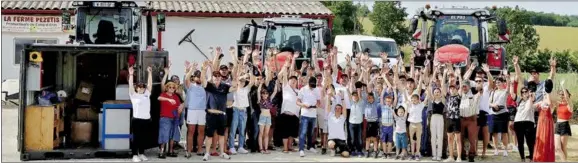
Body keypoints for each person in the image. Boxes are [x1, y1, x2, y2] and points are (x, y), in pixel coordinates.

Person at [201, 61, 233, 161]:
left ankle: (222, 152)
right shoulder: (209, 86)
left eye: (218, 76)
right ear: (213, 77)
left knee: (222, 135)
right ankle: (207, 153)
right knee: (209, 135)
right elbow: (203, 80)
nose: (217, 78)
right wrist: (204, 69)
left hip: (222, 115)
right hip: (211, 115)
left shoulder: (225, 87)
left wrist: (237, 69)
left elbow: (235, 86)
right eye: (215, 76)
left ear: (220, 78)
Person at [228, 56, 255, 155]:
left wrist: (251, 70)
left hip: (243, 111)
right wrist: (240, 68)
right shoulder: (235, 88)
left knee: (242, 130)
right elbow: (235, 76)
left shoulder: (246, 89)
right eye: (241, 81)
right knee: (233, 129)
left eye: (243, 81)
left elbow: (252, 81)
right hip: (235, 110)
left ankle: (240, 147)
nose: (242, 82)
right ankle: (231, 147)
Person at [128, 66, 152, 162]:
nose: (141, 88)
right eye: (139, 86)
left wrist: (149, 73)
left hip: (146, 119)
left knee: (144, 138)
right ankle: (134, 155)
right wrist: (130, 74)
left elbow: (150, 84)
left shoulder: (147, 94)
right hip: (137, 119)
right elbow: (130, 85)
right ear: (136, 88)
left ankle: (141, 153)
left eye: (143, 86)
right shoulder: (133, 95)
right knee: (136, 138)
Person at [183, 63, 208, 158]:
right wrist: (192, 69)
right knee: (191, 131)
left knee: (201, 131)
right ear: (194, 78)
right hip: (192, 110)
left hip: (202, 111)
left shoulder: (205, 86)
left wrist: (204, 69)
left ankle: (199, 149)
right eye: (197, 76)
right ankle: (189, 151)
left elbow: (207, 78)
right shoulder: (191, 86)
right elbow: (186, 79)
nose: (199, 78)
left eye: (200, 76)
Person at [425, 65, 447, 161]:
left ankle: (439, 155)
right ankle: (434, 154)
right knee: (433, 136)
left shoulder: (442, 100)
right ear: (434, 93)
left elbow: (442, 86)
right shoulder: (431, 100)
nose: (437, 93)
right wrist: (434, 72)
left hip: (440, 118)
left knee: (440, 136)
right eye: (436, 92)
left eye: (438, 92)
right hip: (433, 118)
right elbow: (430, 87)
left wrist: (444, 74)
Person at [157, 80, 184, 158]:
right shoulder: (164, 94)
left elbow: (179, 105)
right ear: (167, 88)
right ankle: (162, 151)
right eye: (170, 87)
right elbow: (159, 98)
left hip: (175, 117)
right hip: (165, 117)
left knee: (173, 134)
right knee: (164, 134)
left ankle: (170, 150)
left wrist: (180, 108)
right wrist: (168, 99)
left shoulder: (176, 96)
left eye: (173, 87)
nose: (172, 89)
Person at [297, 76, 322, 157]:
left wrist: (317, 105)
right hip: (305, 113)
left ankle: (310, 146)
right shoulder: (302, 89)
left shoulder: (317, 89)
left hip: (313, 114)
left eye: (313, 85)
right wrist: (303, 105)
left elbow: (318, 101)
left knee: (311, 132)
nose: (312, 87)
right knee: (303, 132)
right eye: (311, 85)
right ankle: (301, 149)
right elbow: (297, 102)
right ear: (308, 83)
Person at [533, 79, 555, 162]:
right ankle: (540, 157)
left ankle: (545, 157)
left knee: (546, 138)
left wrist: (548, 92)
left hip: (547, 121)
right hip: (541, 120)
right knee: (540, 138)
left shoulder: (550, 97)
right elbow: (533, 106)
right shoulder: (542, 100)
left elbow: (550, 104)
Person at [512, 86, 536, 162]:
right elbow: (512, 94)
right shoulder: (519, 100)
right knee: (520, 141)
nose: (524, 93)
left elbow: (530, 103)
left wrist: (530, 94)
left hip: (529, 122)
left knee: (530, 141)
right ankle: (522, 158)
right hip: (518, 122)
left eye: (526, 91)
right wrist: (510, 82)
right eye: (523, 92)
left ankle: (531, 157)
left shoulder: (531, 99)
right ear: (521, 94)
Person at [489, 76, 509, 157]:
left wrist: (507, 78)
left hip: (503, 113)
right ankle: (496, 149)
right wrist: (493, 105)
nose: (497, 84)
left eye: (499, 82)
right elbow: (489, 103)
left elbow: (509, 86)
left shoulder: (505, 91)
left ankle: (505, 149)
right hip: (493, 114)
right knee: (494, 133)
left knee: (504, 132)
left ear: (503, 83)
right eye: (496, 82)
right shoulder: (493, 92)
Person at [257, 79, 278, 154]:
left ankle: (266, 148)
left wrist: (276, 83)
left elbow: (275, 91)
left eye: (266, 93)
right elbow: (258, 91)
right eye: (263, 93)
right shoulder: (260, 100)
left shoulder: (270, 99)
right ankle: (261, 149)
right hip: (262, 117)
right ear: (262, 94)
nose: (265, 94)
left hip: (268, 118)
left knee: (266, 134)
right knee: (261, 133)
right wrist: (260, 84)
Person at [555, 87, 573, 162]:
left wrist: (563, 87)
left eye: (563, 94)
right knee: (557, 148)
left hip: (564, 125)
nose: (562, 96)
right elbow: (553, 97)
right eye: (560, 95)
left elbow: (567, 98)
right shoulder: (559, 104)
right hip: (557, 125)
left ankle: (564, 161)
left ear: (567, 95)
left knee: (563, 147)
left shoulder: (570, 105)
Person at [364, 92, 380, 158]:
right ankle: (367, 151)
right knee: (367, 138)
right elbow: (365, 96)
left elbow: (376, 95)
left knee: (374, 139)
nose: (370, 99)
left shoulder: (375, 104)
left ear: (374, 98)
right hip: (368, 123)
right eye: (369, 98)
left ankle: (375, 151)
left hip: (374, 123)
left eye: (371, 98)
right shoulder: (366, 104)